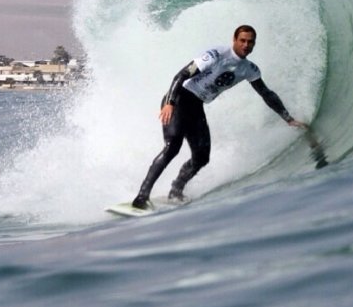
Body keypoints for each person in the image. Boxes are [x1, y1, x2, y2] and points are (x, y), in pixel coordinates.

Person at [130, 24, 308, 210]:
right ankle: (141, 197)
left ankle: (176, 190)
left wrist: (288, 119)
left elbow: (266, 94)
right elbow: (181, 75)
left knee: (201, 157)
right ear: (234, 40)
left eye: (250, 42)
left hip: (196, 106)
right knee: (172, 147)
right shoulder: (216, 54)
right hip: (179, 99)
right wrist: (170, 103)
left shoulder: (249, 69)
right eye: (242, 40)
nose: (246, 45)